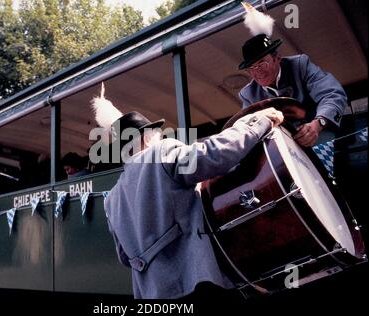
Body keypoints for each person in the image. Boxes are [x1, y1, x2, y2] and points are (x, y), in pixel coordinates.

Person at [91, 86, 284, 299]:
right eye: (156, 132)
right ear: (146, 138)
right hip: (195, 280)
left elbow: (124, 257)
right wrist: (258, 123)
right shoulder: (161, 153)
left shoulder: (111, 199)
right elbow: (215, 155)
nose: (159, 135)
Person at [237, 4, 347, 147]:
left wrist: (318, 123)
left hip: (322, 137)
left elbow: (333, 94)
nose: (257, 72)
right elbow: (247, 128)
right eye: (251, 68)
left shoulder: (300, 65)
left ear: (277, 58)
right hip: (283, 149)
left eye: (262, 63)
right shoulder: (248, 94)